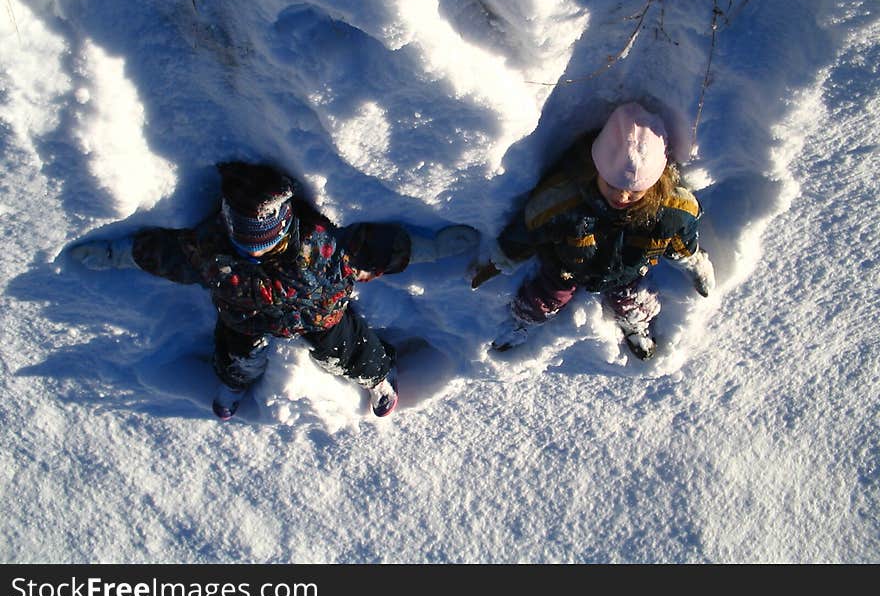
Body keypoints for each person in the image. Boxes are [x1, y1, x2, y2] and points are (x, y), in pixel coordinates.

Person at [69, 162, 478, 420]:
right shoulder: (213, 252)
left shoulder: (321, 247)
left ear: (285, 224)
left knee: (348, 351)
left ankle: (378, 378)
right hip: (245, 318)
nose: (253, 249)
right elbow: (166, 254)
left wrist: (434, 247)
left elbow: (378, 249)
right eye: (244, 240)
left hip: (322, 316)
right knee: (235, 354)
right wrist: (114, 254)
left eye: (264, 241)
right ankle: (235, 383)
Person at [473, 102, 716, 359]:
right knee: (543, 299)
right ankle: (523, 321)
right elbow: (530, 228)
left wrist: (695, 264)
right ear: (597, 168)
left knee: (634, 303)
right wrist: (502, 259)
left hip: (627, 271)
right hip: (566, 266)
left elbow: (682, 242)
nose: (622, 195)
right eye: (612, 184)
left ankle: (636, 325)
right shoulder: (563, 201)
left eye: (635, 190)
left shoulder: (670, 208)